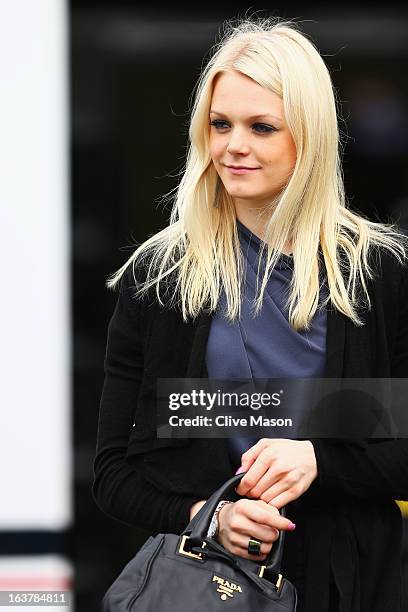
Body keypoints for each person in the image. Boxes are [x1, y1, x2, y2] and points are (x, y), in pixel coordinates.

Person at [92, 15, 408, 612]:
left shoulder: (380, 273)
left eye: (262, 127)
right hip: (211, 588)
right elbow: (115, 473)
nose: (234, 146)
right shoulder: (160, 278)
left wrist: (319, 457)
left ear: (308, 136)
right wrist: (209, 519)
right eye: (220, 124)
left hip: (353, 586)